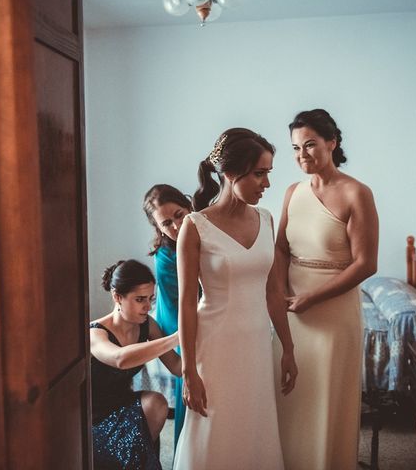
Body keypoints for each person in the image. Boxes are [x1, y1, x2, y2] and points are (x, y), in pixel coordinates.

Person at [173, 128, 297, 470]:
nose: (266, 184)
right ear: (230, 173)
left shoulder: (266, 219)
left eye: (268, 173)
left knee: (253, 425)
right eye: (259, 173)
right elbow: (186, 301)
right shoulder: (195, 226)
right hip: (215, 346)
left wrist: (287, 347)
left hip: (257, 342)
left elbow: (273, 292)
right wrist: (188, 372)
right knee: (215, 427)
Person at [272, 109, 379, 469]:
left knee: (327, 398)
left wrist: (310, 298)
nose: (302, 155)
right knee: (292, 395)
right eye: (295, 148)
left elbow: (366, 263)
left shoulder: (356, 193)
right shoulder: (292, 192)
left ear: (332, 142)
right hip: (292, 309)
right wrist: (279, 295)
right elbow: (281, 248)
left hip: (333, 311)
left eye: (311, 145)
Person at [90, 259, 182, 470]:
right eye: (140, 299)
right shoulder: (95, 333)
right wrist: (177, 337)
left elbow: (176, 367)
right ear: (117, 297)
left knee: (157, 403)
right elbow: (120, 359)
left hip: (124, 402)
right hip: (94, 419)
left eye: (151, 299)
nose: (148, 307)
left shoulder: (147, 325)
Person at [142, 183, 192, 447]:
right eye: (166, 224)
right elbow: (181, 305)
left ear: (188, 207)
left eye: (179, 215)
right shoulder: (165, 257)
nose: (175, 227)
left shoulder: (208, 231)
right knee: (189, 376)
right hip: (176, 318)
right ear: (158, 229)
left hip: (206, 311)